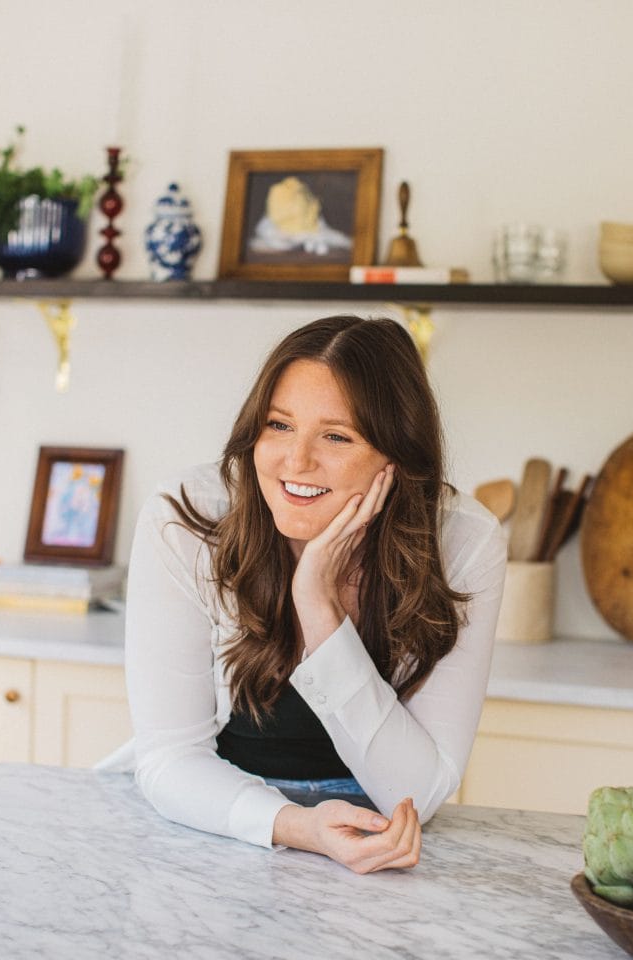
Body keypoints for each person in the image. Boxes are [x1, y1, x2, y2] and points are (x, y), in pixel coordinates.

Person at [119, 315, 507, 874]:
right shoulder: (188, 519)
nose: (296, 462)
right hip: (216, 825)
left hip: (378, 842)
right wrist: (298, 827)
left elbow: (416, 795)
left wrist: (318, 606)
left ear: (395, 456)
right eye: (278, 426)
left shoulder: (463, 542)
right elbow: (170, 759)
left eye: (336, 436)